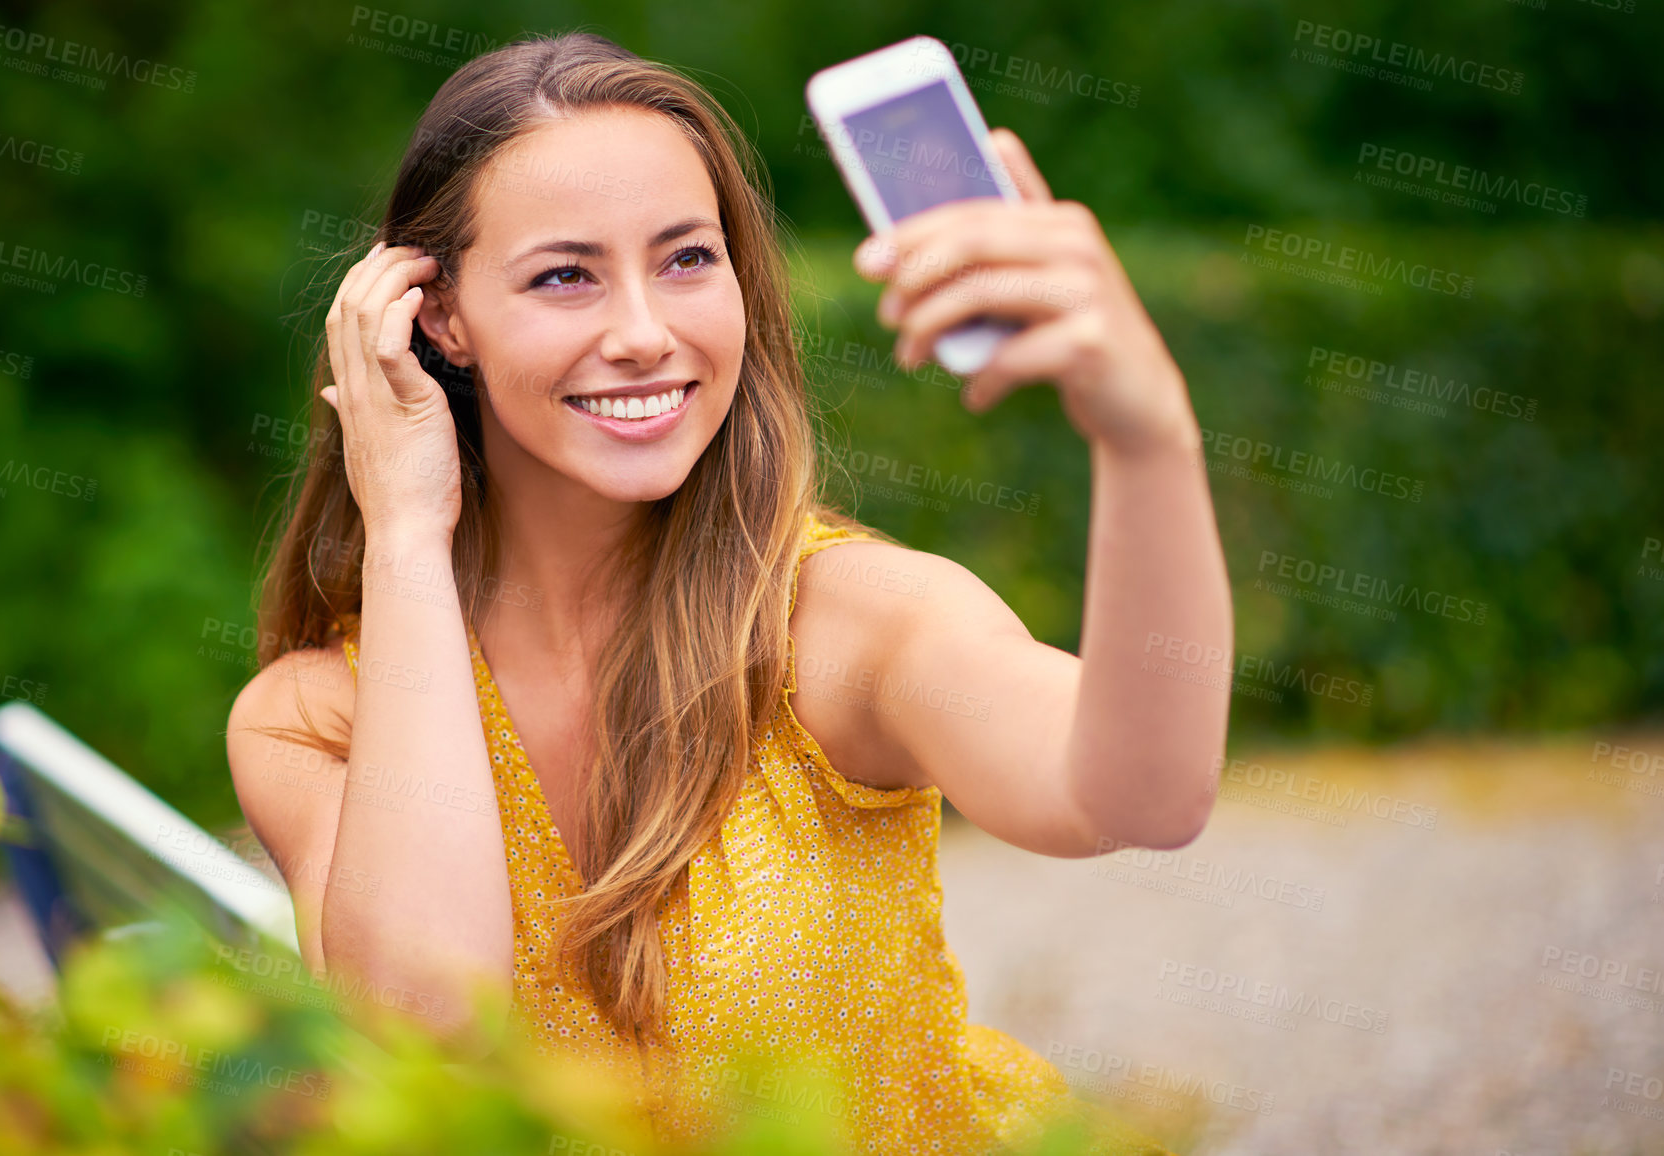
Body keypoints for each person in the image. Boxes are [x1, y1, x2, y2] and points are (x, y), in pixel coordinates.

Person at [226, 31, 1230, 1156]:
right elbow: (426, 1027)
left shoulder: (841, 623)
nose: (646, 334)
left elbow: (1143, 797)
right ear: (436, 318)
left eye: (686, 259)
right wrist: (407, 532)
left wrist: (1145, 438)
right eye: (565, 275)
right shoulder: (312, 715)